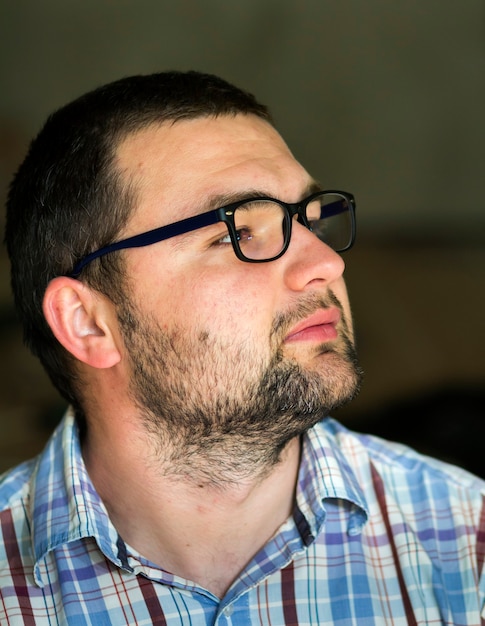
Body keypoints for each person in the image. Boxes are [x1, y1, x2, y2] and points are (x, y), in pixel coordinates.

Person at [0, 71, 483, 625]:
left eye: (309, 218)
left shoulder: (467, 547)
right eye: (238, 231)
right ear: (88, 322)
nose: (325, 264)